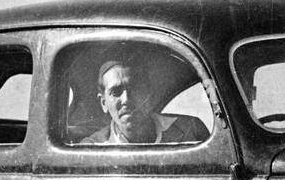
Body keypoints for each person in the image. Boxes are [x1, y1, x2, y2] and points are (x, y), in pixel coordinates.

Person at [80, 58, 209, 145]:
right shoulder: (91, 148)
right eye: (116, 92)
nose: (126, 100)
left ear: (150, 93)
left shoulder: (192, 130)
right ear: (104, 103)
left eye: (135, 88)